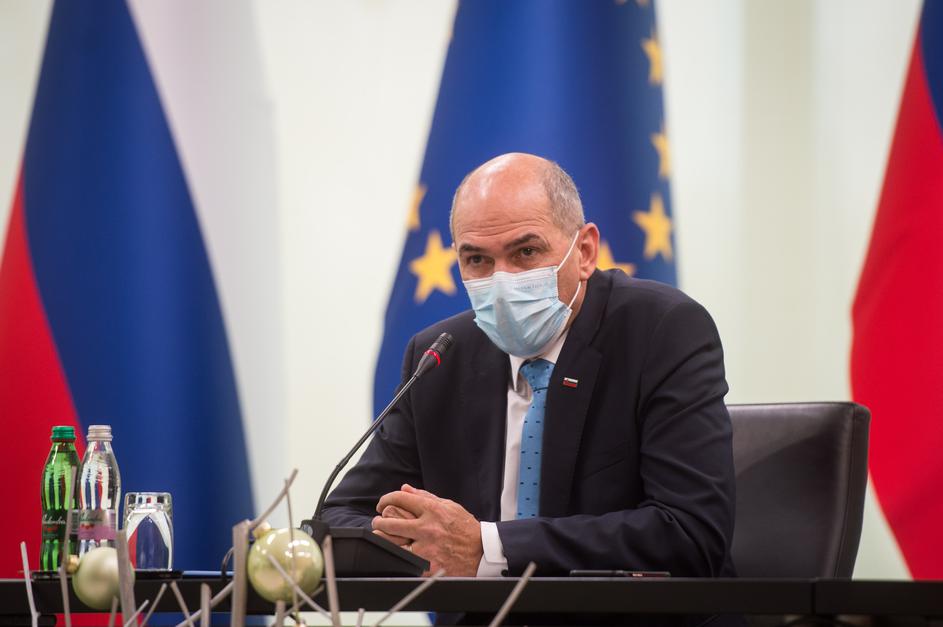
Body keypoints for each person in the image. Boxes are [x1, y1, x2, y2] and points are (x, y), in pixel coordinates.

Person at [322, 153, 737, 583]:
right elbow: (340, 517)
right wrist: (412, 537)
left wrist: (489, 547)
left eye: (526, 252)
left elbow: (692, 533)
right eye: (477, 260)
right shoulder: (439, 356)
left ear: (585, 251)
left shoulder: (661, 331)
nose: (502, 281)